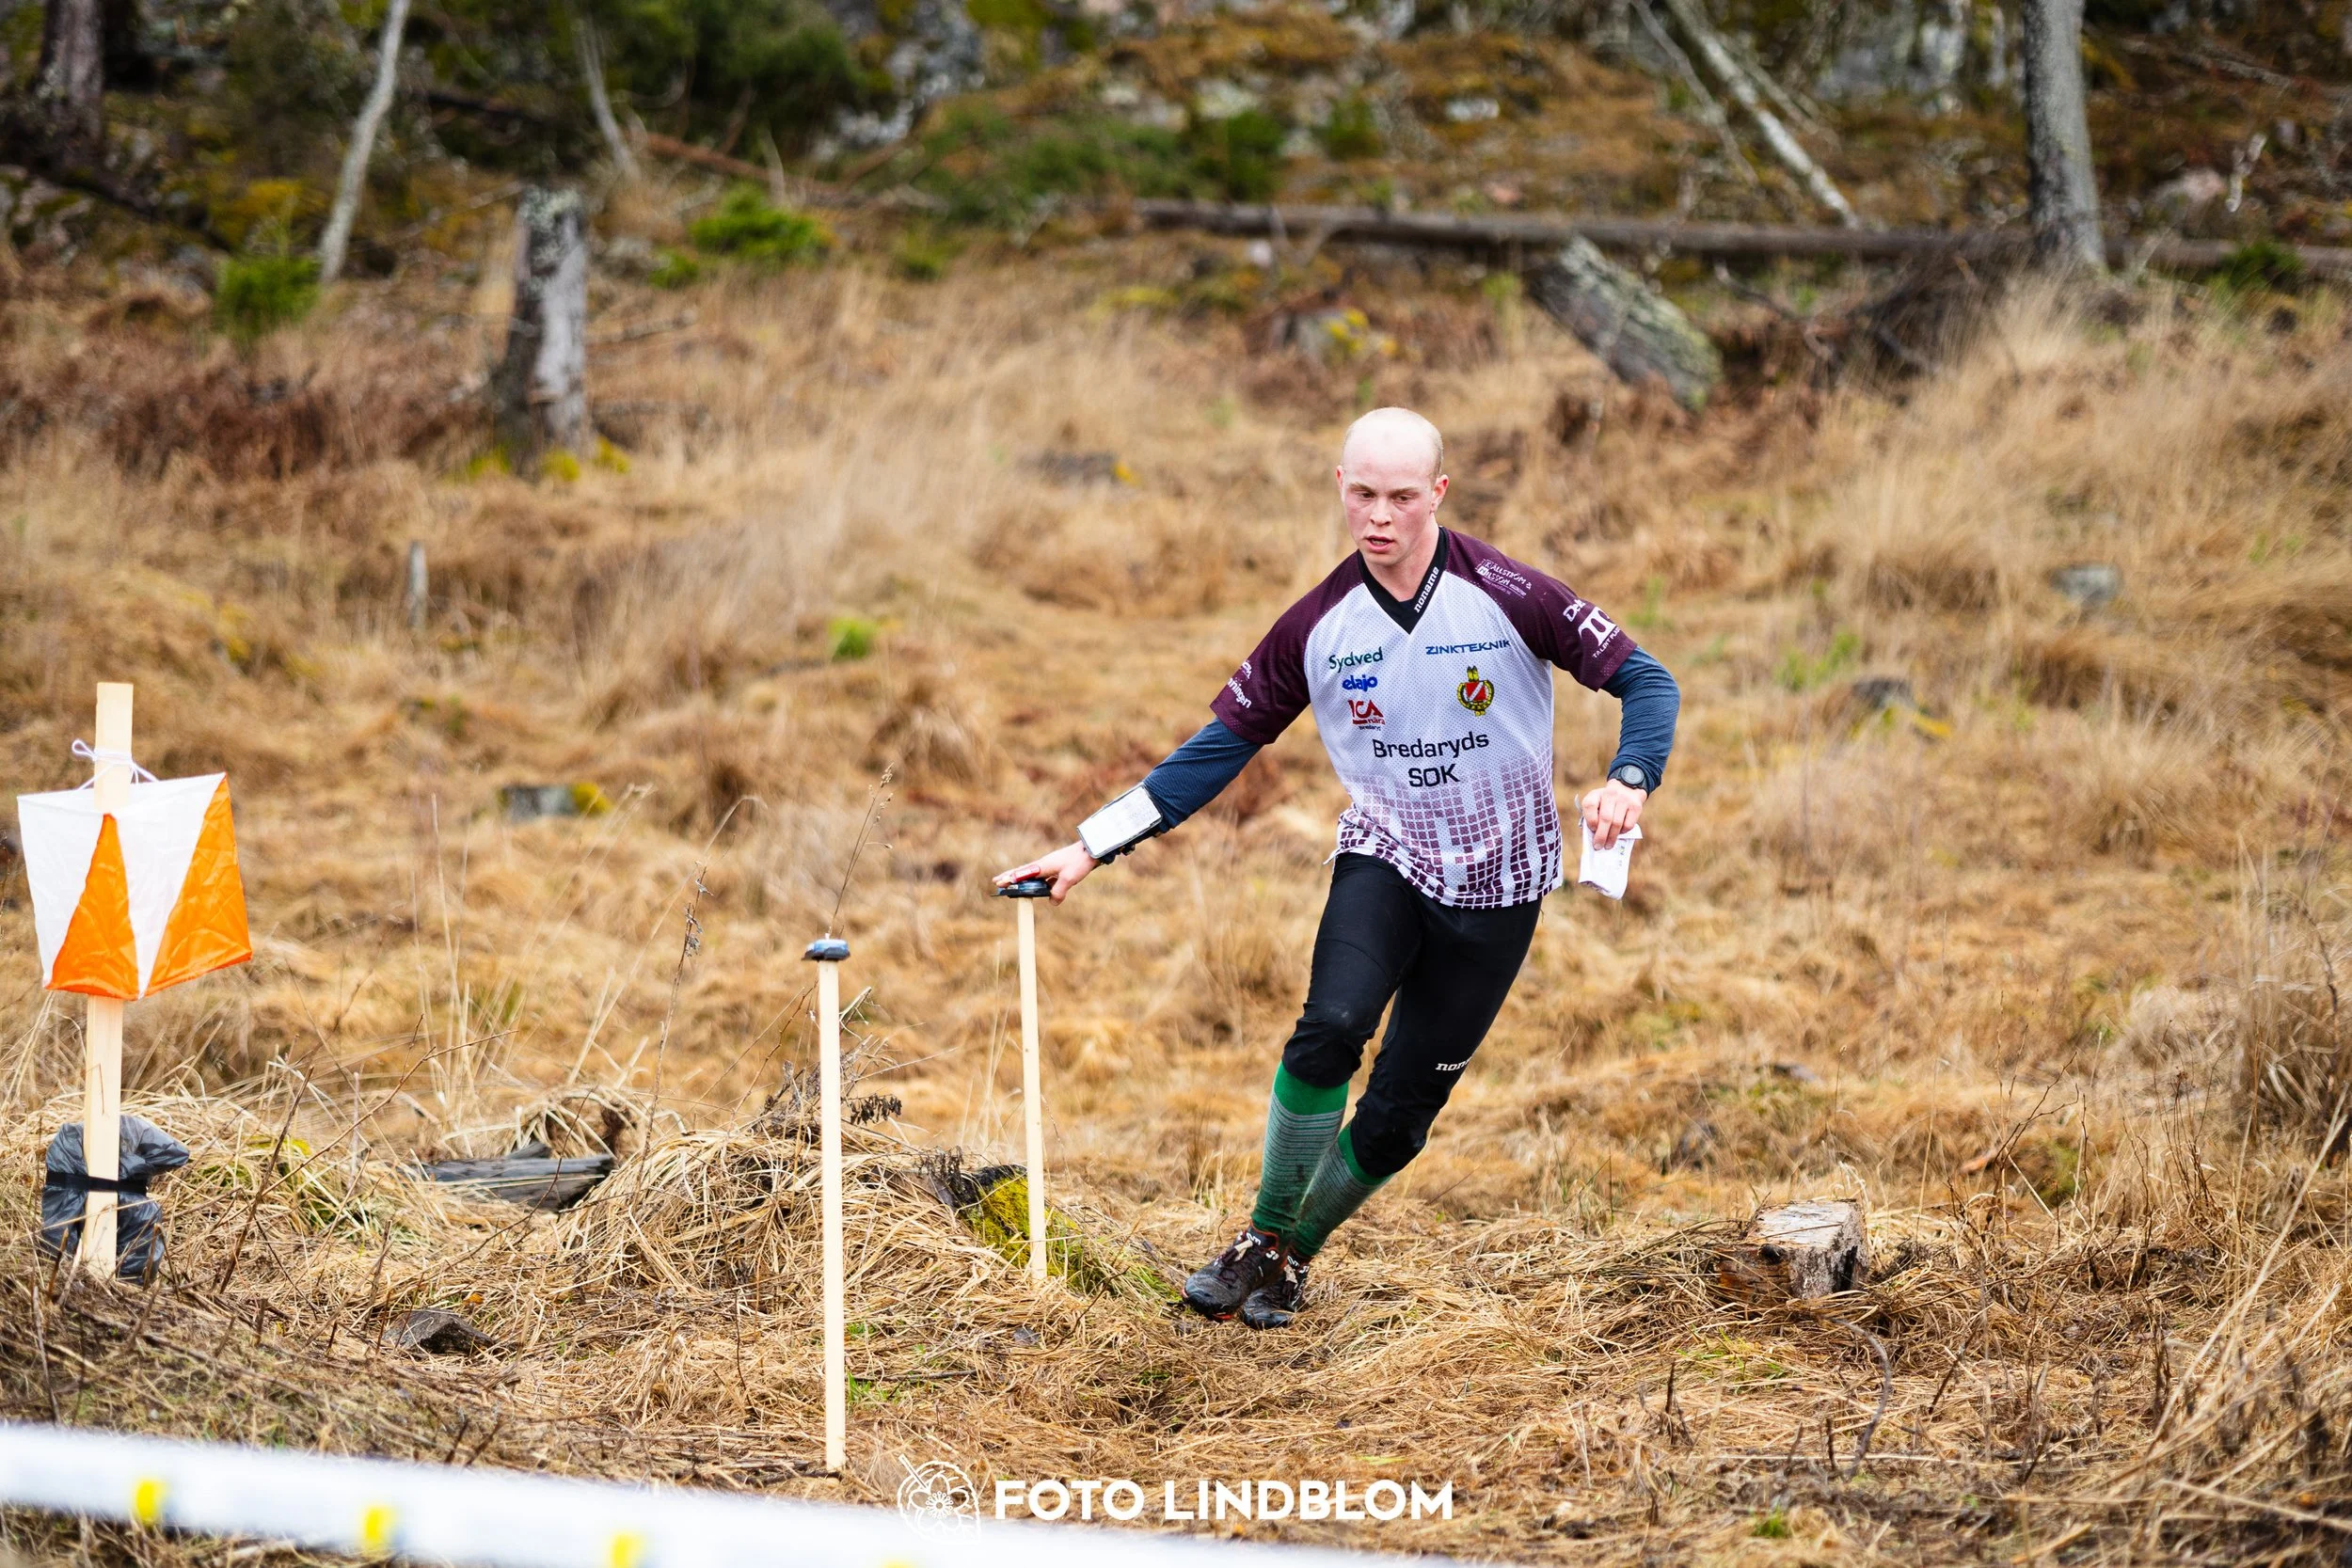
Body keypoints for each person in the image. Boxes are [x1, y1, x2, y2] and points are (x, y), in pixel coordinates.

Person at [994, 406, 1679, 1329]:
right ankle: (1259, 1235)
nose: (1380, 516)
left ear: (1437, 492)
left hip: (1504, 882)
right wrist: (1089, 844)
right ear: (1340, 489)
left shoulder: (1510, 592)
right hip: (1385, 852)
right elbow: (1217, 747)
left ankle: (1293, 1253)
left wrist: (1629, 778)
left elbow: (1650, 682)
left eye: (1402, 495)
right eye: (1363, 493)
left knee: (1400, 1113)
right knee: (1331, 1024)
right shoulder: (1317, 625)